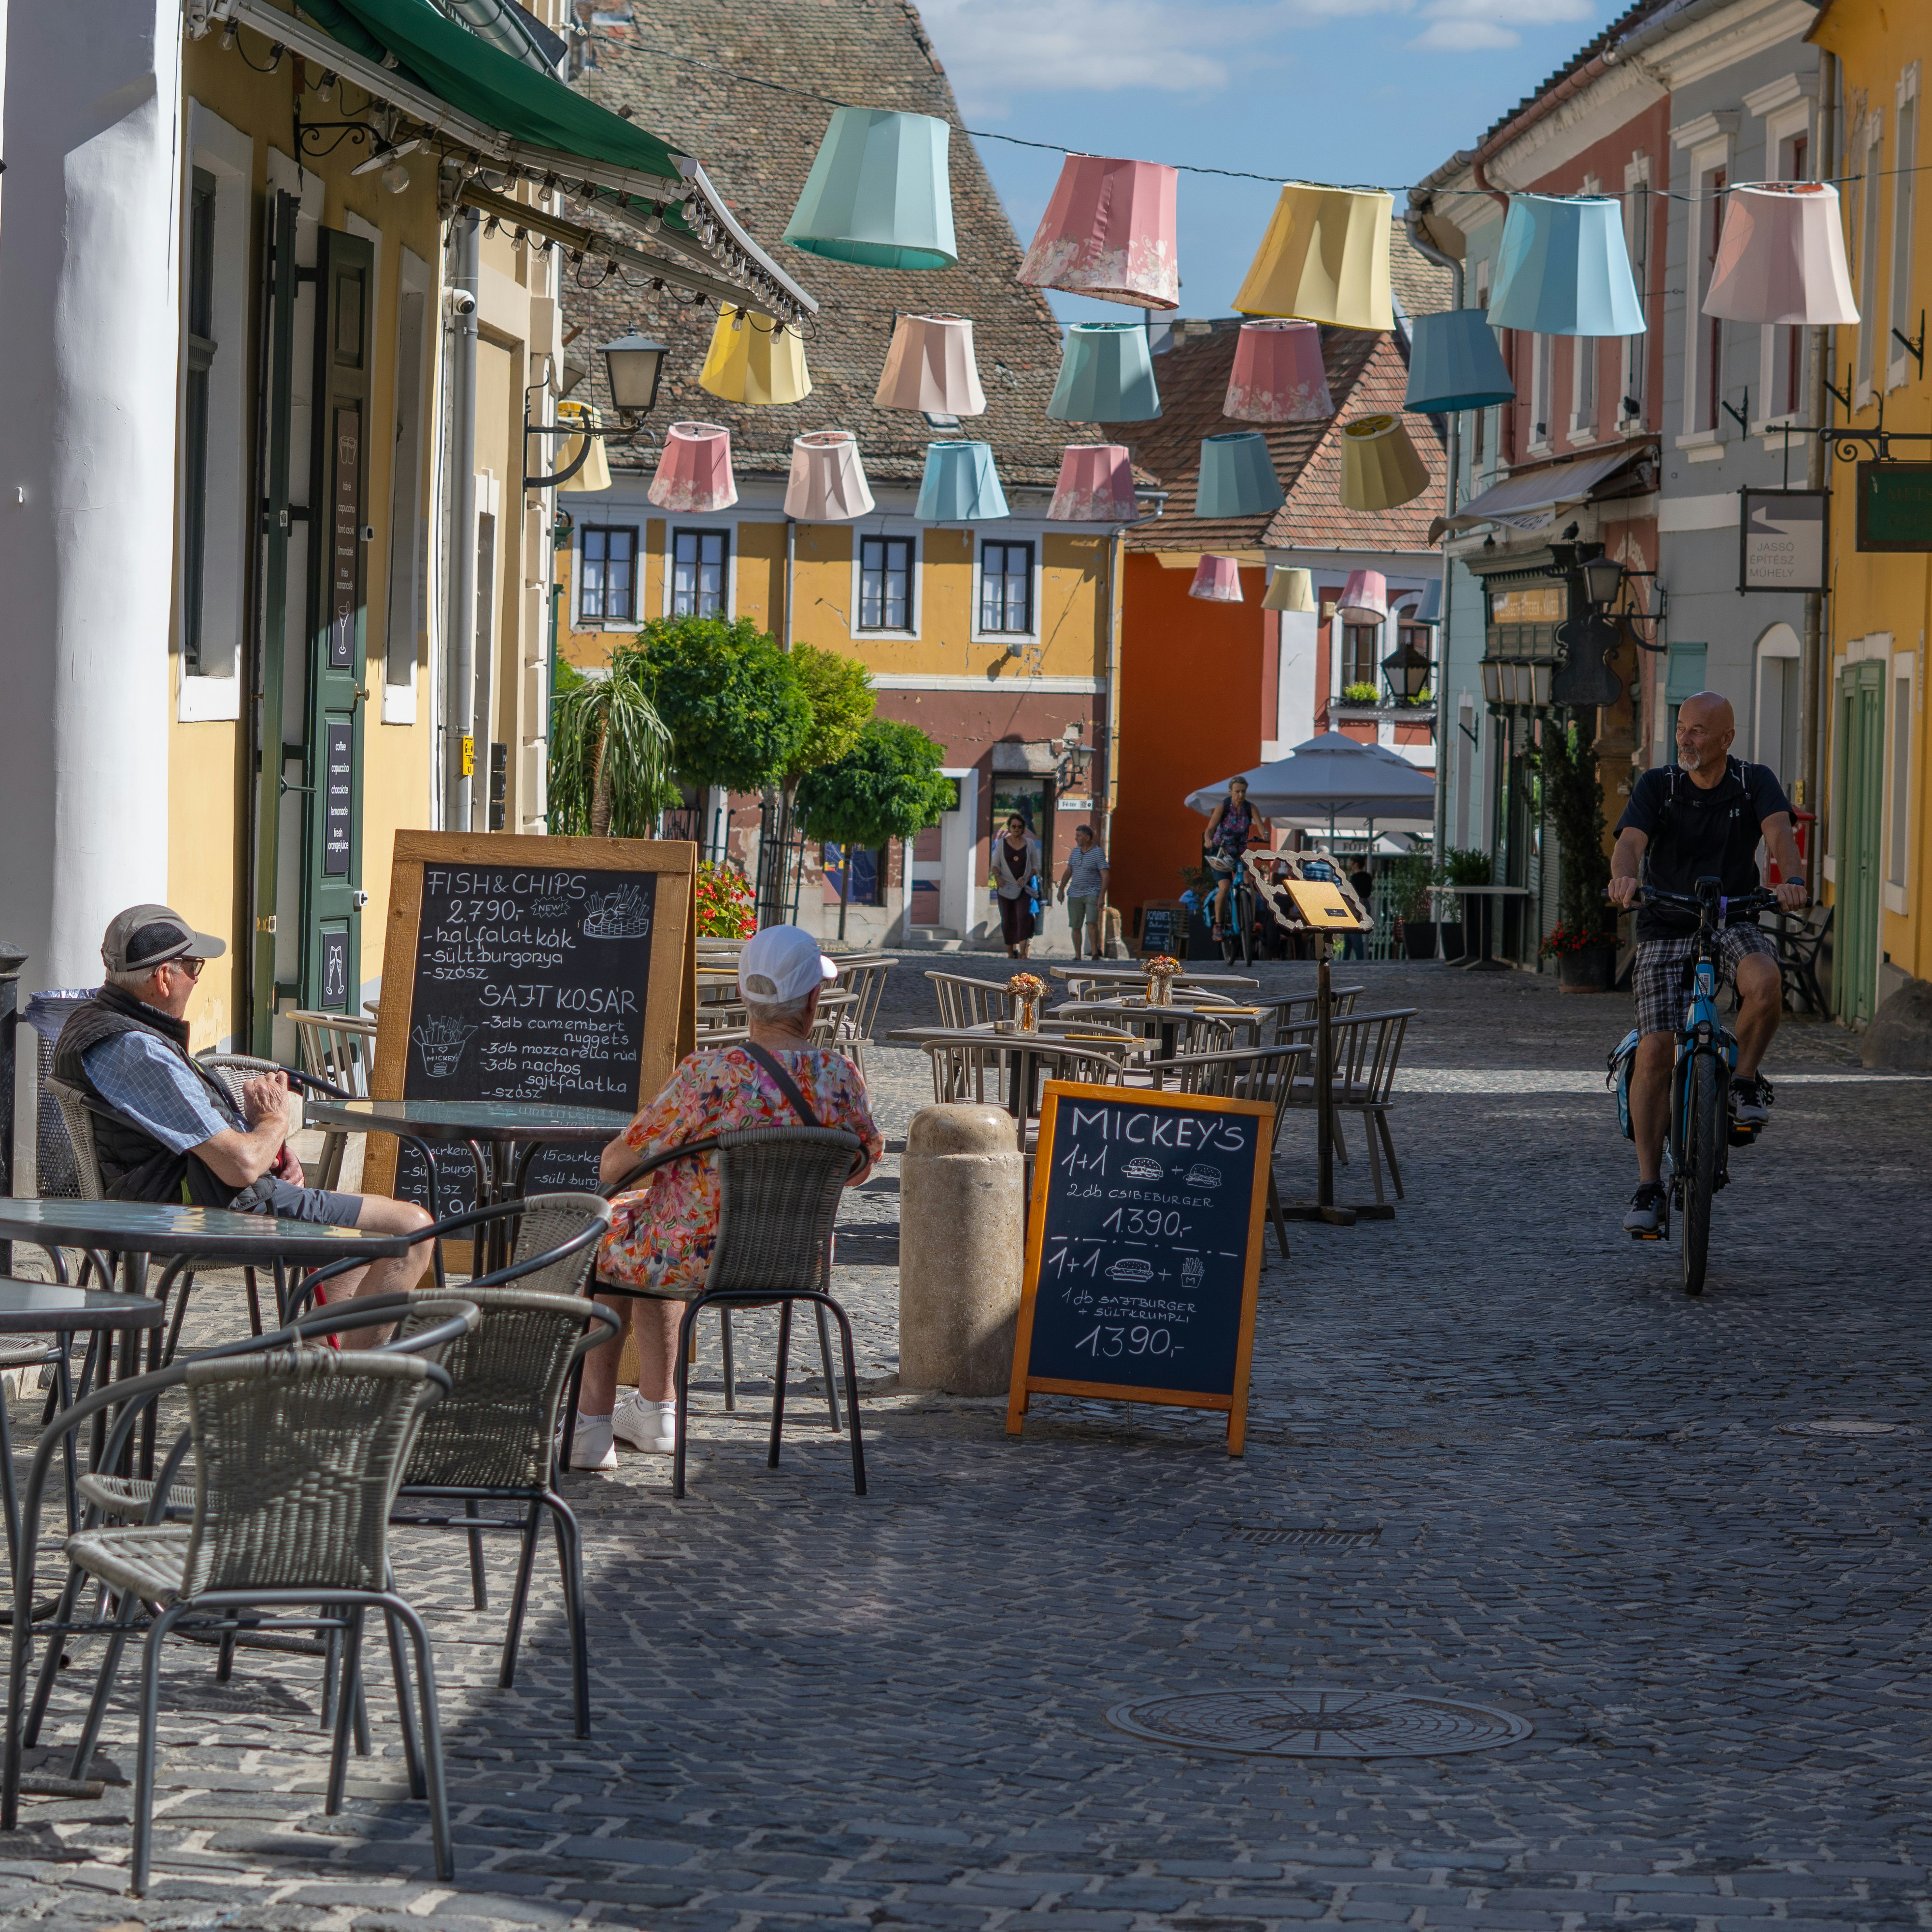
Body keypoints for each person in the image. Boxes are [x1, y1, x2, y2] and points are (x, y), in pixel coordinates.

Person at [576, 923, 883, 1469]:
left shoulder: (708, 1075)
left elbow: (614, 1165)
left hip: (693, 1262)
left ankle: (594, 1425)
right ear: (813, 999)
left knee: (620, 1227)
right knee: (653, 1224)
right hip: (797, 1264)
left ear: (744, 995)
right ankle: (654, 1411)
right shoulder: (841, 1077)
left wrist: (688, 1174)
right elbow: (861, 1165)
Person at [53, 904, 435, 1300]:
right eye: (193, 967)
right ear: (165, 977)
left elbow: (211, 1141)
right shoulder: (137, 1049)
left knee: (362, 1237)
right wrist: (274, 1124)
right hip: (200, 1213)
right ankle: (347, 1359)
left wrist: (275, 1151)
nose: (197, 981)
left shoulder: (95, 1020)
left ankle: (330, 1354)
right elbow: (242, 1166)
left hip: (187, 1197)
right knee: (412, 1227)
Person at [1607, 692, 1808, 1236]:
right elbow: (1628, 842)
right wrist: (1623, 878)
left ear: (1726, 739)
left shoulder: (1752, 781)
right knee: (1654, 1049)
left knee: (1765, 982)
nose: (1685, 739)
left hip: (1731, 915)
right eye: (1681, 729)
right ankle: (1649, 1185)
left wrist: (1789, 880)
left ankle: (1743, 1083)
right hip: (1665, 920)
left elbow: (1778, 836)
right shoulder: (1659, 785)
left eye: (1697, 731)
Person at [1201, 776, 1259, 941]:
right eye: (1237, 791)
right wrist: (1208, 840)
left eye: (1243, 791)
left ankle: (1252, 921)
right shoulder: (1224, 806)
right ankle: (1218, 925)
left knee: (1250, 882)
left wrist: (1265, 834)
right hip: (1221, 852)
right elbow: (1210, 829)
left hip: (1240, 852)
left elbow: (1262, 828)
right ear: (1231, 792)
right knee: (1225, 887)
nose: (1241, 795)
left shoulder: (1249, 808)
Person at [991, 813, 1042, 959]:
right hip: (1005, 887)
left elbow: (1036, 866)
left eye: (1020, 827)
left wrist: (1026, 878)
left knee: (1022, 917)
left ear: (1024, 828)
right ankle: (1010, 952)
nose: (1017, 829)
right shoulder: (1002, 843)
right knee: (1008, 919)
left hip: (1023, 887)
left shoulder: (1030, 844)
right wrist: (998, 877)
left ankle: (1022, 952)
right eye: (1014, 826)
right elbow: (995, 865)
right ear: (1009, 827)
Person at [1056, 824, 1110, 961]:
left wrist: (1101, 896)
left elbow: (1105, 875)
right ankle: (1078, 955)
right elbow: (1069, 871)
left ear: (1087, 837)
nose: (1076, 838)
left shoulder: (1098, 853)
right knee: (1075, 926)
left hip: (1092, 892)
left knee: (1092, 923)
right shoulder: (1075, 852)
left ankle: (1094, 953)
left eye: (1079, 836)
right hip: (1075, 893)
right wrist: (1061, 889)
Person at [1342, 860, 1375, 961]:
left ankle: (1360, 959)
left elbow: (1352, 893)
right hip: (1366, 904)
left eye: (1352, 864)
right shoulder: (1368, 877)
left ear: (1356, 864)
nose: (1351, 867)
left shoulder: (1355, 878)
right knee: (1349, 936)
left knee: (1354, 931)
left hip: (1356, 906)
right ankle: (1346, 958)